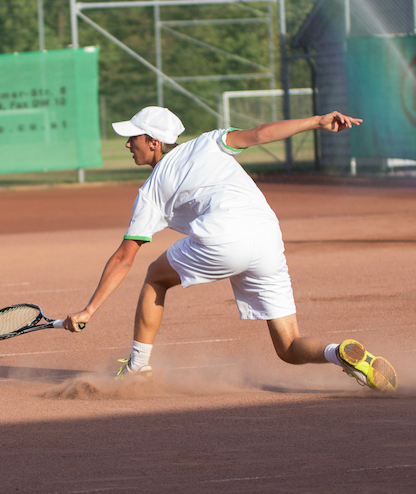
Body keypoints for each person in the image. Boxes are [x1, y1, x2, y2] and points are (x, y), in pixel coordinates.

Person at [63, 106, 397, 391]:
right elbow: (261, 134)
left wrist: (89, 310)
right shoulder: (209, 142)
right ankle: (338, 352)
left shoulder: (150, 191)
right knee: (289, 347)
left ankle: (138, 367)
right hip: (267, 236)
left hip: (222, 237)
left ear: (153, 142)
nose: (127, 143)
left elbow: (124, 258)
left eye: (133, 138)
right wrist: (317, 121)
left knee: (155, 276)